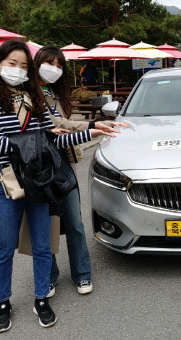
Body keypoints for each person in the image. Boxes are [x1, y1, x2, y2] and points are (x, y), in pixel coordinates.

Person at [0, 40, 102, 332]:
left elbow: (55, 142)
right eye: (12, 64)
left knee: (44, 246)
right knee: (4, 248)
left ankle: (41, 298)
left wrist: (93, 131)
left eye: (23, 66)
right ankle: (2, 302)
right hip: (6, 182)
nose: (17, 70)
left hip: (41, 181)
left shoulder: (37, 99)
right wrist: (42, 142)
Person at [32, 45, 127, 297]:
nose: (53, 68)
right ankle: (48, 276)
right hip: (40, 168)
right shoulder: (29, 95)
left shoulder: (56, 93)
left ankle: (82, 274)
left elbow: (63, 125)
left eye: (59, 64)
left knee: (74, 222)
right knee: (47, 224)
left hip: (64, 163)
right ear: (37, 63)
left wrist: (94, 125)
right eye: (48, 62)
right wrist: (94, 125)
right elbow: (58, 125)